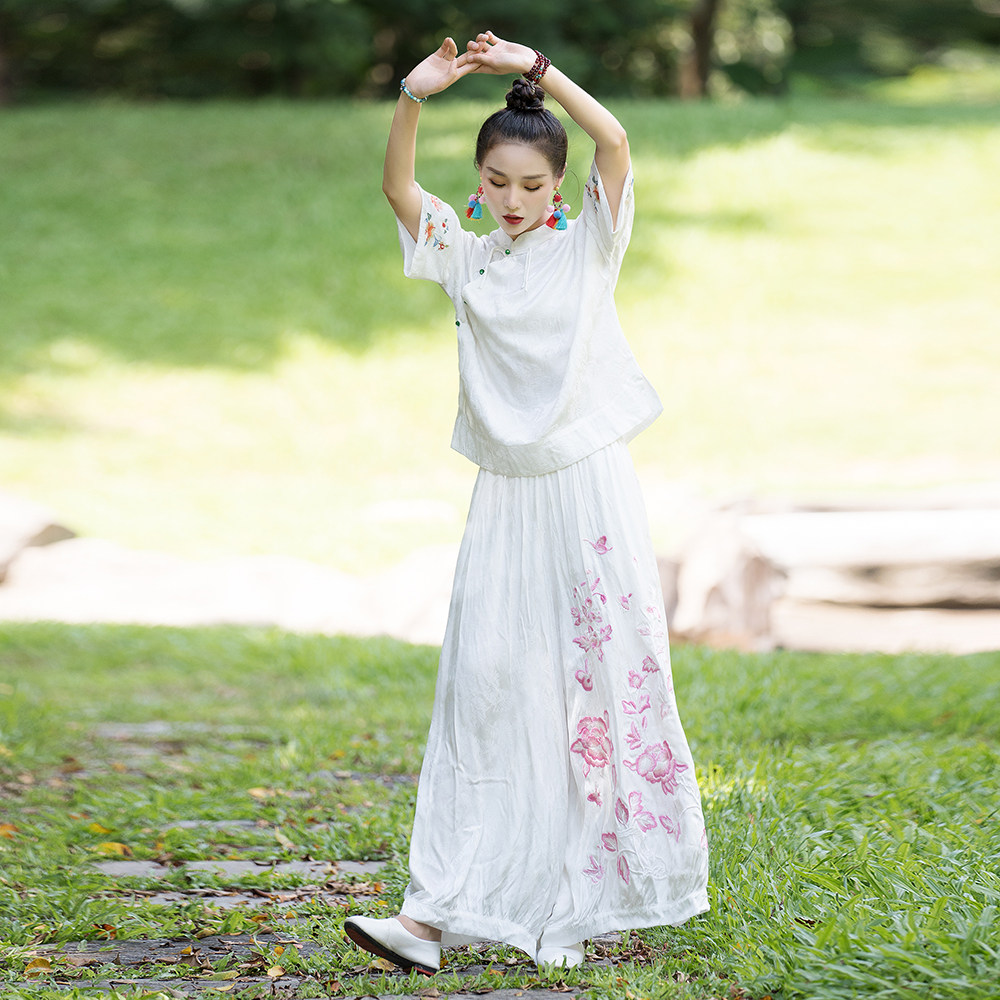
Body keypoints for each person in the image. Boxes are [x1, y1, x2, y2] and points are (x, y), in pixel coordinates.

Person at [344, 30, 709, 975]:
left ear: (558, 189)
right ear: (479, 181)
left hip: (584, 489)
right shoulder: (467, 261)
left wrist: (536, 69)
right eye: (497, 182)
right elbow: (397, 189)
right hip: (504, 499)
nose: (513, 199)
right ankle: (430, 916)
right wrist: (412, 95)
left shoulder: (590, 248)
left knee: (591, 684)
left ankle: (578, 905)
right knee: (484, 688)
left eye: (533, 185)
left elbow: (614, 141)